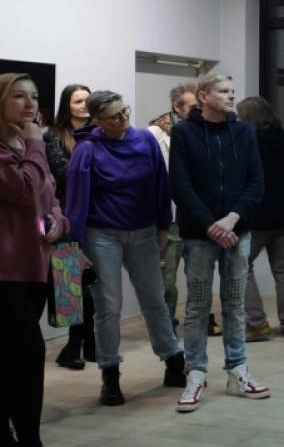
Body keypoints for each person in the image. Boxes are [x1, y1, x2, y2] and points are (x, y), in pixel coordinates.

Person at [65, 90, 186, 406]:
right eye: (114, 116)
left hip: (144, 232)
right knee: (109, 306)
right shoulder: (87, 149)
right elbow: (76, 200)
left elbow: (161, 184)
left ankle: (173, 360)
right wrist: (75, 244)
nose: (122, 119)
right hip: (101, 235)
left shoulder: (144, 141)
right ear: (97, 121)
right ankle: (110, 374)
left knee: (154, 299)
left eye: (124, 112)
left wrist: (163, 225)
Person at [170, 72, 269, 413]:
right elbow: (180, 185)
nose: (231, 96)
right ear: (203, 96)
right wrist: (210, 224)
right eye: (224, 91)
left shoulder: (244, 132)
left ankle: (237, 369)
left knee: (235, 304)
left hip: (237, 231)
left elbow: (256, 181)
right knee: (197, 307)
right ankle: (195, 373)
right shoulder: (184, 132)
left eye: (232, 91)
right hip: (199, 235)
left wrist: (232, 219)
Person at [0, 73, 69, 447]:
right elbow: (25, 190)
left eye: (35, 97)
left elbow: (49, 197)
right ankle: (29, 438)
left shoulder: (26, 145)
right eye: (18, 96)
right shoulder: (20, 147)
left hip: (35, 267)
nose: (30, 104)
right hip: (5, 271)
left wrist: (58, 222)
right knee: (28, 354)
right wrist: (34, 144)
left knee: (13, 356)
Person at [147, 82, 214, 333]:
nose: (201, 110)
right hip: (170, 217)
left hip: (199, 215)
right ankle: (166, 327)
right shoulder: (155, 134)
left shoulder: (208, 130)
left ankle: (201, 321)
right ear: (177, 107)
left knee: (200, 275)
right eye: (194, 106)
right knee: (166, 279)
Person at [236, 96, 284, 342]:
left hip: (258, 217)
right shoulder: (281, 136)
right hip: (283, 215)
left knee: (241, 267)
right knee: (282, 270)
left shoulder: (249, 140)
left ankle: (256, 323)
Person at [44, 83, 97, 370]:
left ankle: (85, 344)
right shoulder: (53, 135)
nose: (84, 105)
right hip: (65, 217)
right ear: (67, 105)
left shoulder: (99, 133)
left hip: (96, 217)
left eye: (88, 100)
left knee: (92, 286)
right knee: (73, 286)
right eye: (78, 101)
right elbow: (62, 173)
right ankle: (76, 346)